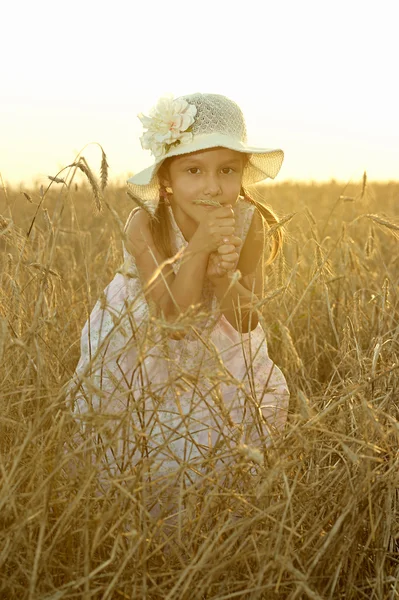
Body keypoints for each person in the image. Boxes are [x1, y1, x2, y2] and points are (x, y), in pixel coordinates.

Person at [68, 92, 290, 494]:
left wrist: (224, 277)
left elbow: (246, 320)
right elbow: (173, 322)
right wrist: (201, 248)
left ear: (242, 176)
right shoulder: (145, 224)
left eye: (227, 170)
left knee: (219, 436)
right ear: (166, 180)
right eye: (193, 170)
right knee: (150, 440)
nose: (212, 185)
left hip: (219, 347)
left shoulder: (247, 221)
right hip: (145, 343)